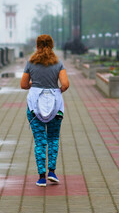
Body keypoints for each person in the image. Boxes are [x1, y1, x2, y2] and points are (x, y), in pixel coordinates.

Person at [20, 34, 69, 187]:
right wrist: (57, 90)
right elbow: (66, 84)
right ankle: (52, 172)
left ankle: (41, 176)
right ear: (52, 45)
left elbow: (23, 84)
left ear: (37, 45)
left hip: (35, 106)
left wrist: (33, 86)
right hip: (55, 106)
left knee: (40, 141)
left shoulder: (31, 63)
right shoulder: (58, 63)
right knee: (53, 138)